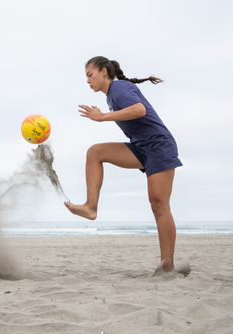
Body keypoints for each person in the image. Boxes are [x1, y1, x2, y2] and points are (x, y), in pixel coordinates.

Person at [64, 56, 183, 273]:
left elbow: (139, 110)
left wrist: (102, 117)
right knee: (95, 152)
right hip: (140, 148)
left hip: (158, 146)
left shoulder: (119, 87)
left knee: (159, 205)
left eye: (90, 75)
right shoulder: (111, 96)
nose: (88, 81)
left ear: (103, 72)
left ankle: (167, 266)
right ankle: (91, 207)